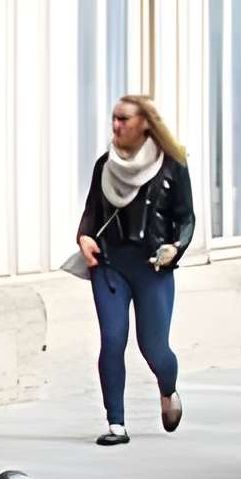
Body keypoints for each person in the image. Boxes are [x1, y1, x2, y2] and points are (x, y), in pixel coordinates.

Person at [75, 94, 196, 447]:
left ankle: (168, 390)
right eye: (114, 118)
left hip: (152, 268)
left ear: (145, 123)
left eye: (124, 119)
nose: (116, 126)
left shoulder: (172, 165)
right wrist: (84, 238)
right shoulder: (105, 166)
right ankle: (116, 422)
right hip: (110, 265)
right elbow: (91, 214)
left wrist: (176, 247)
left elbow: (186, 217)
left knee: (154, 347)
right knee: (112, 340)